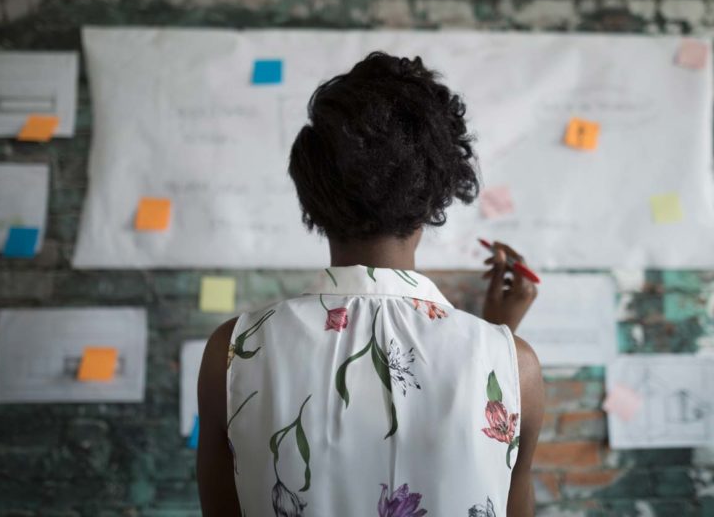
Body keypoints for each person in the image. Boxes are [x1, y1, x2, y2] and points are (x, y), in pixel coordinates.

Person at [197, 52, 543, 516]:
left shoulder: (232, 352)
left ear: (313, 195)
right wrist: (496, 338)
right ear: (434, 196)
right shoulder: (514, 366)